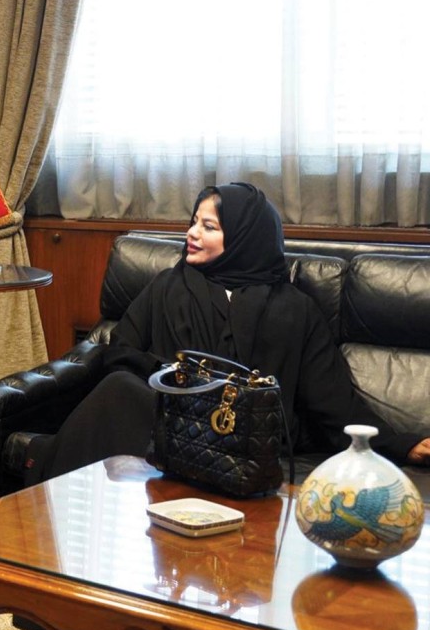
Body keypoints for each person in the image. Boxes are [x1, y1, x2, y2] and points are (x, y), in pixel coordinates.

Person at [22, 181, 430, 484]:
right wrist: (178, 380)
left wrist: (399, 443)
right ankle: (40, 507)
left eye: (209, 226)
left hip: (247, 436)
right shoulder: (168, 285)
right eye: (193, 222)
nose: (191, 233)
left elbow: (332, 400)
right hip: (170, 423)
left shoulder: (294, 308)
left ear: (243, 239)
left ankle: (39, 472)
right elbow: (121, 352)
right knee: (118, 388)